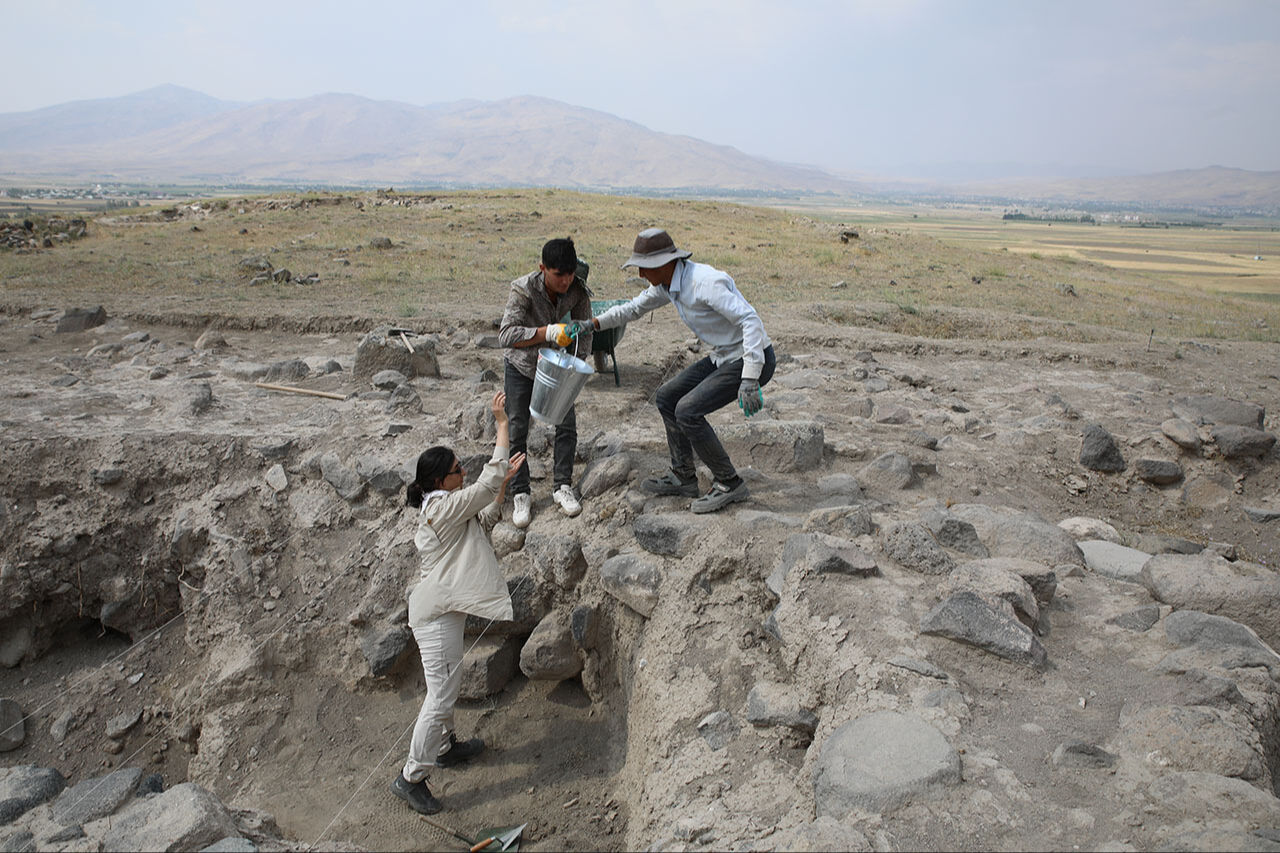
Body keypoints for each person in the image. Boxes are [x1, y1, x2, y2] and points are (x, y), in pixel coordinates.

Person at [391, 390, 526, 816]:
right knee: (442, 696)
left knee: (443, 688)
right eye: (456, 470)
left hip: (443, 610)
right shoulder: (439, 508)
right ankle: (411, 776)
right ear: (438, 481)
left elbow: (484, 518)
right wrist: (502, 426)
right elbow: (482, 486)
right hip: (434, 616)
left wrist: (499, 488)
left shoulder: (447, 506)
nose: (462, 472)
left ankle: (445, 748)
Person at [591, 228, 776, 513]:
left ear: (663, 264)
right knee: (666, 397)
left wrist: (750, 377)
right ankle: (683, 476)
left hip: (751, 356)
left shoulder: (704, 283)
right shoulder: (667, 284)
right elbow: (633, 309)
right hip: (724, 356)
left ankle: (730, 482)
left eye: (643, 268)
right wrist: (592, 324)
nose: (641, 274)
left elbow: (750, 320)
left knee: (688, 410)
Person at [498, 236, 594, 528]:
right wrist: (547, 333)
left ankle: (562, 486)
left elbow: (586, 328)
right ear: (543, 268)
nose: (565, 281)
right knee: (518, 428)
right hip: (522, 367)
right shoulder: (523, 289)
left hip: (557, 369)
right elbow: (506, 335)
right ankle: (521, 492)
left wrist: (577, 363)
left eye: (569, 274)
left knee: (566, 424)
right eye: (558, 275)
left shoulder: (577, 290)